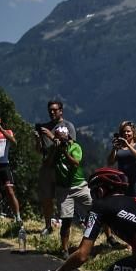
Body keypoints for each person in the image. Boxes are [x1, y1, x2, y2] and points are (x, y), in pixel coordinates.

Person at [34, 100, 76, 235]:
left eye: (55, 110)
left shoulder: (68, 126)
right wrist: (38, 139)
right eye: (50, 110)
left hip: (62, 167)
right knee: (46, 198)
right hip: (47, 166)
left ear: (61, 111)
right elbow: (39, 151)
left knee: (63, 199)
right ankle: (48, 225)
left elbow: (71, 146)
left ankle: (65, 228)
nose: (52, 112)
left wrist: (51, 136)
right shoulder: (45, 127)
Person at [52, 125, 92, 255]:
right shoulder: (55, 149)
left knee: (97, 209)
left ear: (68, 136)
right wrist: (55, 149)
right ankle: (64, 249)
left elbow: (75, 162)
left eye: (62, 138)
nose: (60, 140)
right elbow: (48, 163)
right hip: (63, 189)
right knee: (66, 220)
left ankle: (109, 236)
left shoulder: (75, 147)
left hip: (79, 185)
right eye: (57, 137)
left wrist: (64, 151)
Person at [107, 120, 136, 198]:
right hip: (123, 184)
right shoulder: (119, 147)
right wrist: (114, 149)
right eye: (123, 132)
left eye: (128, 131)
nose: (126, 133)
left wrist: (128, 146)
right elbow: (110, 162)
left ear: (133, 132)